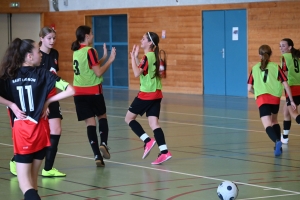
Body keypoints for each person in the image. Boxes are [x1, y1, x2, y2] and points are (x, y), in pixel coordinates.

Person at [0, 38, 74, 200]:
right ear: (29, 56)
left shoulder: (9, 75)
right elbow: (70, 90)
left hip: (23, 132)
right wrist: (48, 101)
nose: (40, 54)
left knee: (25, 185)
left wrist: (11, 105)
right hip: (41, 131)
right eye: (37, 51)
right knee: (33, 182)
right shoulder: (44, 74)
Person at [9, 26, 66, 177]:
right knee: (36, 132)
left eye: (54, 38)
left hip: (51, 96)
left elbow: (54, 78)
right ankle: (17, 158)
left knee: (56, 130)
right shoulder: (35, 57)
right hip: (37, 99)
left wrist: (50, 99)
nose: (52, 41)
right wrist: (42, 102)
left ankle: (48, 168)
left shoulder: (54, 54)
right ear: (41, 39)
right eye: (49, 38)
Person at [71, 25, 116, 167]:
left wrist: (102, 57)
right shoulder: (90, 50)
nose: (93, 35)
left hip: (79, 93)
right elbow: (97, 72)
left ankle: (97, 155)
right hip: (93, 92)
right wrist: (110, 60)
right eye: (91, 33)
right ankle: (103, 143)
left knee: (90, 124)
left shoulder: (76, 52)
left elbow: (90, 67)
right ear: (86, 36)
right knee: (102, 117)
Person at [125, 31, 172, 165]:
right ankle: (164, 152)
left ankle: (147, 140)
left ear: (150, 42)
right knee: (154, 124)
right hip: (157, 94)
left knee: (128, 118)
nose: (141, 40)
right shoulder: (154, 56)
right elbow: (142, 71)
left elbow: (135, 73)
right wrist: (135, 57)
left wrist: (132, 58)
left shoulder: (148, 56)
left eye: (143, 38)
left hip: (147, 94)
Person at [247, 44, 296, 156]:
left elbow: (249, 88)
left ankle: (277, 141)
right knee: (274, 121)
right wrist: (291, 100)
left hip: (262, 99)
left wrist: (258, 93)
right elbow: (286, 85)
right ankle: (277, 146)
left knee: (267, 125)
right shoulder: (276, 67)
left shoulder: (254, 68)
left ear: (259, 55)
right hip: (275, 98)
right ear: (270, 54)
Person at [279, 38, 300, 144]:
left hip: (292, 88)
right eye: (280, 45)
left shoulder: (284, 57)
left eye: (283, 45)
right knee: (285, 112)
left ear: (290, 47)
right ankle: (285, 137)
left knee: (293, 113)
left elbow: (284, 75)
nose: (281, 48)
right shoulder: (298, 56)